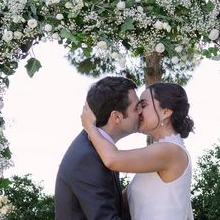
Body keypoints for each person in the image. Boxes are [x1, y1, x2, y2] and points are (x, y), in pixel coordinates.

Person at [81, 82, 194, 220]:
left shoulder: (171, 150)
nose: (139, 110)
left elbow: (112, 159)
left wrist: (90, 126)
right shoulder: (159, 154)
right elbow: (120, 202)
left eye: (144, 105)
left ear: (166, 112)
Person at [55, 76, 141, 219]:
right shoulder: (87, 157)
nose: (141, 112)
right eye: (136, 108)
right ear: (117, 117)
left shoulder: (96, 148)